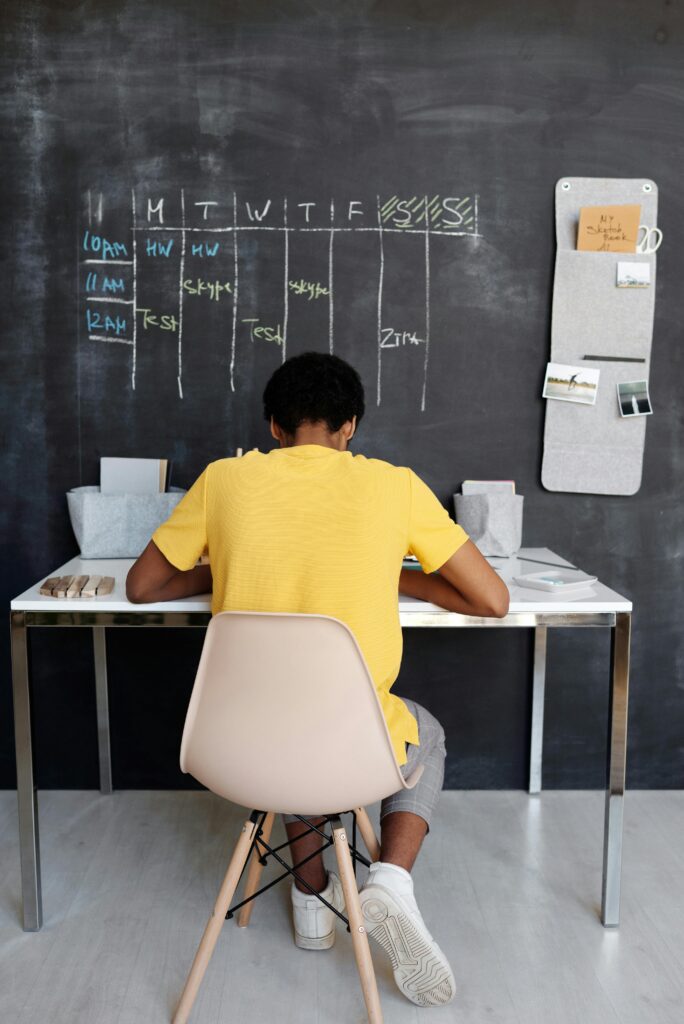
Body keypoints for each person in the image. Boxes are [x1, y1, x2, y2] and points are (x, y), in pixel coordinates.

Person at [127, 352, 509, 1007]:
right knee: (422, 730)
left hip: (238, 745)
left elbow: (144, 586)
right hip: (349, 744)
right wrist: (392, 568)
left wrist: (235, 563)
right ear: (350, 426)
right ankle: (388, 877)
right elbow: (491, 600)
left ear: (273, 427)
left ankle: (310, 896)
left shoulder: (223, 480)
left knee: (294, 719)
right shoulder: (395, 485)